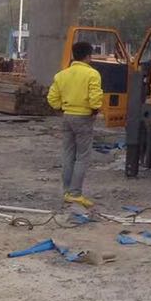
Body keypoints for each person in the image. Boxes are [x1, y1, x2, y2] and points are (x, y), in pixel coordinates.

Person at [47, 41, 103, 207]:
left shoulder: (61, 75)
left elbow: (52, 98)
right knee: (82, 157)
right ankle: (75, 193)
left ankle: (67, 191)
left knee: (68, 154)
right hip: (84, 118)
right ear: (88, 56)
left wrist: (61, 107)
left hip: (67, 116)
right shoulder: (92, 74)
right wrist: (95, 109)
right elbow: (95, 98)